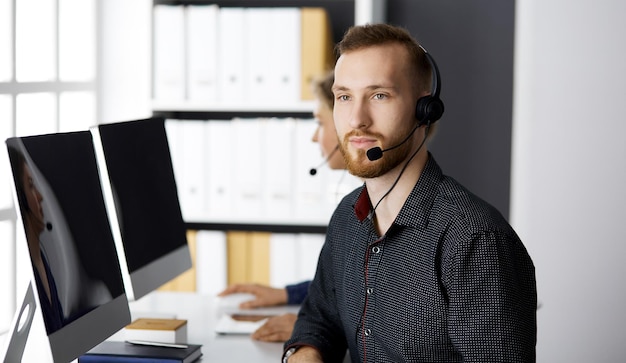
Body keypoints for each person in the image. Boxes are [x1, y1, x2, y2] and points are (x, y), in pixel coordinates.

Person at [282, 23, 537, 362]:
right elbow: (320, 318)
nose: (357, 119)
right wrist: (305, 353)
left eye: (379, 95)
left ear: (424, 111)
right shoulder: (348, 217)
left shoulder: (474, 239)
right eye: (344, 97)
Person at [218, 70, 349, 342]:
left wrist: (313, 329)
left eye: (320, 123)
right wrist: (287, 295)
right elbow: (340, 288)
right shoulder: (356, 207)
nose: (315, 137)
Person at [8, 146, 66, 334]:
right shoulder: (21, 273)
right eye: (31, 185)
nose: (40, 197)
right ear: (21, 199)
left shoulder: (42, 260)